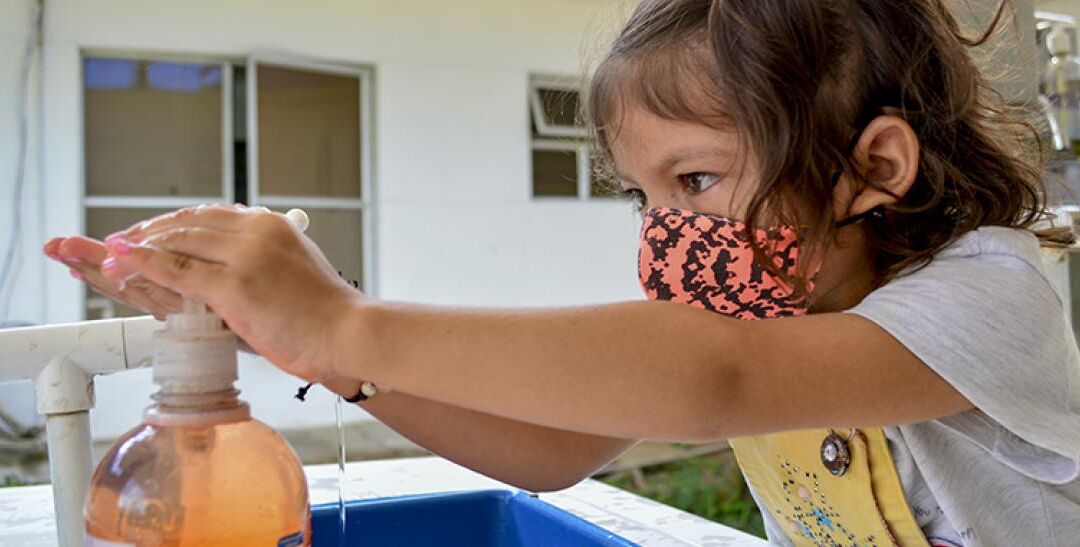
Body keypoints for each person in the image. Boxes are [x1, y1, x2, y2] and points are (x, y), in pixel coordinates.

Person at [44, 1, 1080, 544]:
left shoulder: (990, 294)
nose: (668, 232)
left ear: (875, 169)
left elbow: (715, 378)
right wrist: (321, 352)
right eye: (644, 196)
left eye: (698, 178)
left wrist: (346, 320)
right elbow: (548, 452)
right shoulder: (754, 300)